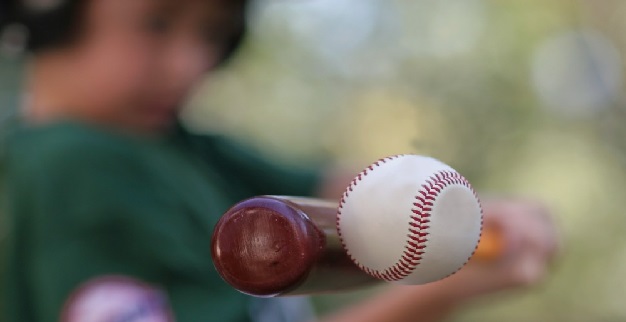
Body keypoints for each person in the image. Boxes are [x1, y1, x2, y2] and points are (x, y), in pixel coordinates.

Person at [0, 0, 559, 321]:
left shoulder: (176, 144)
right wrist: (440, 292)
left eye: (213, 34)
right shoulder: (71, 170)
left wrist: (479, 215)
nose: (189, 64)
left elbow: (352, 197)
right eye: (157, 22)